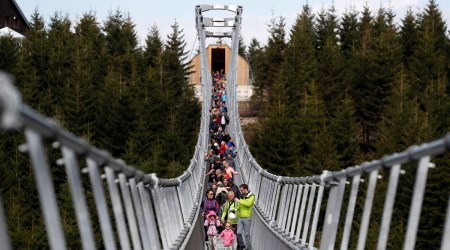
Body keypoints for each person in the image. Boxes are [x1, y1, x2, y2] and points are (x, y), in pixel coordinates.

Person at [235, 184, 255, 250]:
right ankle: (243, 245)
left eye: (242, 190)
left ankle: (248, 248)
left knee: (246, 234)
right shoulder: (242, 196)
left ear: (246, 189)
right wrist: (235, 209)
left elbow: (248, 204)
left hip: (247, 217)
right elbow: (239, 206)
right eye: (240, 190)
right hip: (240, 217)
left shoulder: (251, 196)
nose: (240, 191)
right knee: (238, 233)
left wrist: (239, 201)